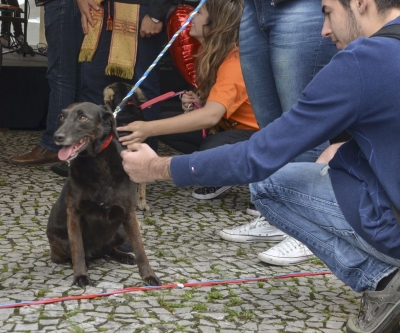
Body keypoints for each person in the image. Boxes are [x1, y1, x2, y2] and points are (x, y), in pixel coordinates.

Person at [120, 0, 400, 330]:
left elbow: (258, 157)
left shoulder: (363, 60)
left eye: (326, 12)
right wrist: (344, 149)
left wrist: (159, 168)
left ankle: (383, 281)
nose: (323, 30)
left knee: (269, 183)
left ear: (360, 3)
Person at [219, 0, 339, 266]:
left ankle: (310, 227)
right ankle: (278, 215)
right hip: (254, 8)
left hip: (302, 7)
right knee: (270, 127)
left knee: (305, 128)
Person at [117, 0, 259, 200]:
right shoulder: (212, 54)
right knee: (166, 120)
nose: (191, 15)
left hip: (256, 136)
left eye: (199, 12)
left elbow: (211, 116)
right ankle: (219, 171)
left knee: (211, 147)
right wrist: (196, 103)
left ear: (214, 25)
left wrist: (148, 129)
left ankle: (253, 180)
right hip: (229, 130)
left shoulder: (233, 61)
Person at [77, 0, 174, 153]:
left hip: (141, 10)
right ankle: (88, 155)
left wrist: (156, 14)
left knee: (144, 90)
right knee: (91, 86)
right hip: (99, 10)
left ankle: (144, 157)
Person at [8, 0, 83, 165]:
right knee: (72, 76)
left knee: (61, 76)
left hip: (62, 4)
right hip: (69, 5)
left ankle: (53, 145)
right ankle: (70, 144)